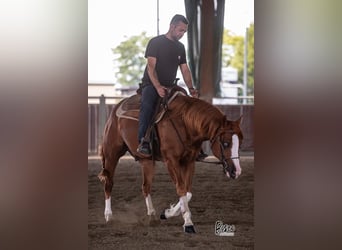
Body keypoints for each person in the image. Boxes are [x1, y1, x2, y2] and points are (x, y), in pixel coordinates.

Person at [137, 14, 199, 157]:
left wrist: (191, 89)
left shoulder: (180, 47)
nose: (182, 34)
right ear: (172, 26)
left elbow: (185, 69)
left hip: (171, 86)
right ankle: (143, 142)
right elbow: (150, 68)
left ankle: (194, 145)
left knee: (187, 106)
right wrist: (158, 87)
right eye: (180, 30)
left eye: (184, 31)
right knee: (147, 107)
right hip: (151, 84)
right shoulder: (155, 42)